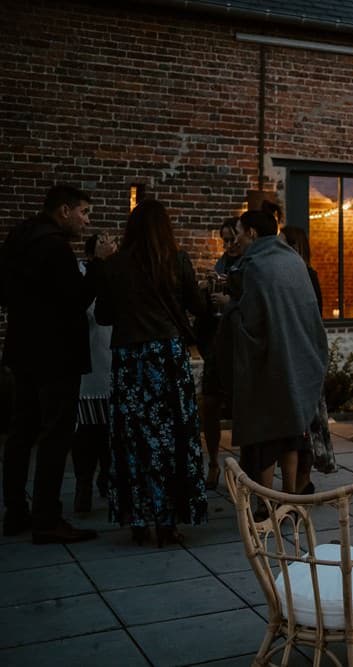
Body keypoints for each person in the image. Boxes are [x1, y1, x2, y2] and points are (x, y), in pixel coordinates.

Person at [1, 185, 112, 543]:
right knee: (55, 435)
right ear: (64, 211)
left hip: (23, 350)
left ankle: (15, 511)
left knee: (21, 432)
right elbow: (77, 299)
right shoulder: (56, 248)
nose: (87, 220)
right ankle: (47, 518)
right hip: (56, 355)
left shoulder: (20, 237)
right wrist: (98, 264)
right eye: (84, 212)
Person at [95, 198, 208, 546]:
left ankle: (138, 518)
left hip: (130, 358)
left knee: (133, 439)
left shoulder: (115, 266)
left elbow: (103, 316)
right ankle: (168, 521)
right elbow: (197, 307)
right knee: (172, 437)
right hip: (167, 356)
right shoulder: (176, 261)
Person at [219, 210, 329, 497]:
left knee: (266, 435)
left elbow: (252, 320)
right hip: (299, 358)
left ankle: (267, 500)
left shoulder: (257, 266)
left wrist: (229, 307)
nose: (238, 238)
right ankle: (290, 495)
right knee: (292, 433)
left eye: (240, 231)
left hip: (270, 363)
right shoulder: (293, 260)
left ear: (253, 233)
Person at [279, 224, 335, 477]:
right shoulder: (287, 274)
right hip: (295, 356)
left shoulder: (306, 275)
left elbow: (314, 318)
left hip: (305, 356)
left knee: (307, 425)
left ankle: (302, 480)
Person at [197, 217, 243, 490]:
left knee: (242, 410)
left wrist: (230, 301)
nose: (228, 244)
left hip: (239, 348)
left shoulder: (250, 264)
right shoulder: (221, 263)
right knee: (209, 404)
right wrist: (205, 289)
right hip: (217, 344)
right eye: (224, 240)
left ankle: (247, 470)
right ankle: (213, 461)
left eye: (232, 238)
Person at [72, 233, 115, 513]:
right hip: (90, 362)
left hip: (112, 359)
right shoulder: (82, 273)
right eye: (104, 242)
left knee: (110, 430)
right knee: (88, 429)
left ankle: (106, 479)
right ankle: (83, 486)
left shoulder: (118, 274)